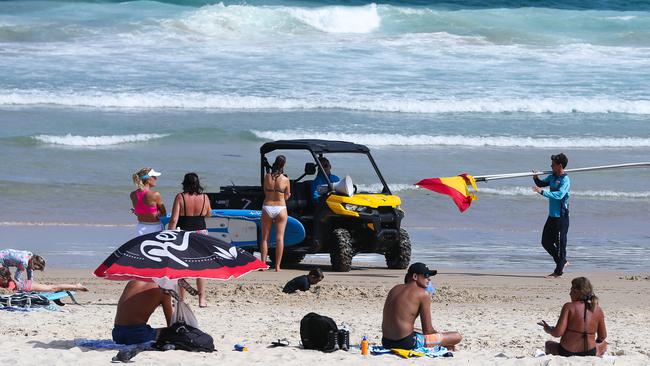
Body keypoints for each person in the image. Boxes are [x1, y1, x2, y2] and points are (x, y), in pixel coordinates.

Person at [382, 263, 462, 350]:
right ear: (415, 276)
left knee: (417, 330)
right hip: (405, 343)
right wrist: (439, 336)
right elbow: (428, 331)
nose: (429, 279)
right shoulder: (423, 294)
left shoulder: (395, 288)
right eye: (426, 275)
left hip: (386, 342)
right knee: (456, 336)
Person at [168, 172, 212, 307]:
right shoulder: (205, 197)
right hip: (201, 233)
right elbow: (208, 214)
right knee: (201, 267)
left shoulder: (180, 197)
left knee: (182, 267)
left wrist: (169, 236)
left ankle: (181, 299)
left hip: (184, 234)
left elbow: (174, 219)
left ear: (184, 183)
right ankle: (202, 299)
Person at [539, 277, 608, 357]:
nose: (570, 293)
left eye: (571, 290)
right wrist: (592, 342)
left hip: (566, 351)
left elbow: (558, 333)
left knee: (548, 344)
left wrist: (549, 329)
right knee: (604, 344)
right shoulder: (598, 309)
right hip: (590, 352)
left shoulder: (569, 307)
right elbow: (602, 336)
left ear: (578, 292)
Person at [532, 153, 571, 278]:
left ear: (559, 166)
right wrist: (535, 177)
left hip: (561, 217)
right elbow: (541, 183)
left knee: (560, 245)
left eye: (553, 164)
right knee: (546, 242)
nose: (550, 165)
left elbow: (559, 195)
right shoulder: (552, 177)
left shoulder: (565, 180)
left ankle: (558, 271)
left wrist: (541, 192)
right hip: (552, 216)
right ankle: (562, 262)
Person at [113, 280, 173, 345]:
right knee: (174, 333)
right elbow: (171, 323)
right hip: (137, 336)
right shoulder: (163, 290)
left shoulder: (133, 282)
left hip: (117, 333)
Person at [260, 155, 291, 271]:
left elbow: (265, 191)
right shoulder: (285, 180)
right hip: (280, 208)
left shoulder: (267, 177)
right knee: (279, 238)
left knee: (264, 238)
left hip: (267, 206)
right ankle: (277, 266)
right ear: (283, 165)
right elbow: (287, 196)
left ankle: (263, 265)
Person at [130, 167, 166, 236]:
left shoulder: (132, 194)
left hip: (140, 228)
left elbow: (141, 212)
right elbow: (163, 213)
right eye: (154, 177)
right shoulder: (155, 194)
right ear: (148, 180)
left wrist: (138, 212)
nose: (156, 179)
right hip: (155, 228)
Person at [0, 267, 88, 292]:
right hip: (24, 283)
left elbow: (8, 292)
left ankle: (77, 286)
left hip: (28, 286)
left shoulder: (10, 283)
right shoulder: (3, 279)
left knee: (52, 288)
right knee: (52, 287)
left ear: (5, 278)